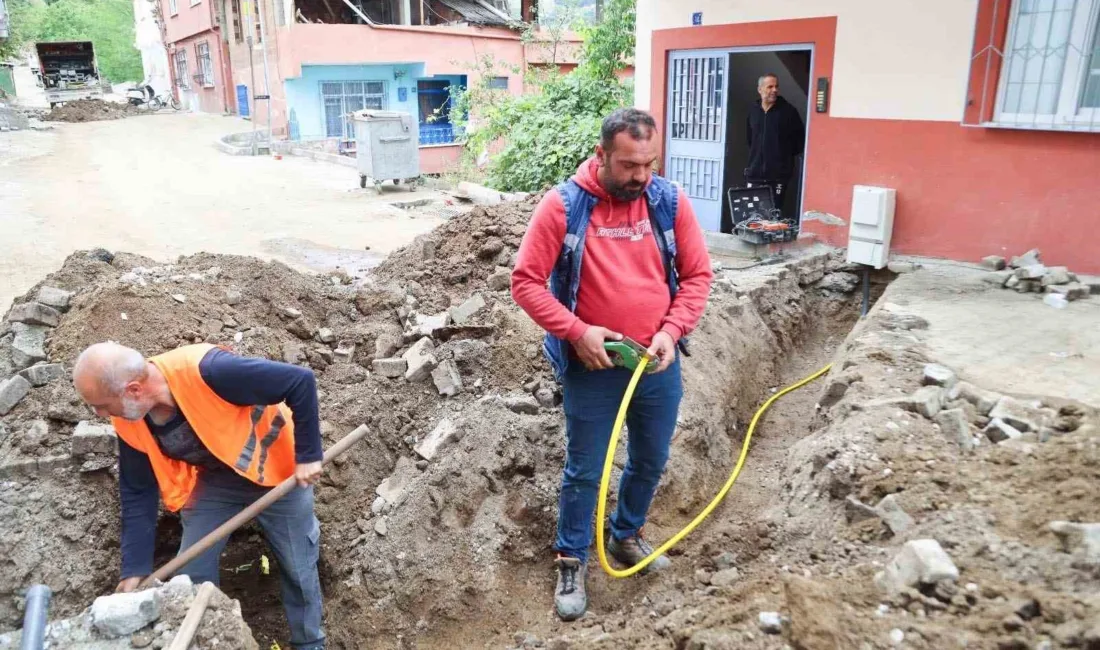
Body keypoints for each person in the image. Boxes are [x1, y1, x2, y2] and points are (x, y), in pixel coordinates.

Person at [511, 108, 714, 621]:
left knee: (650, 459)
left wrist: (671, 332)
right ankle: (572, 557)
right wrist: (577, 332)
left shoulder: (668, 203)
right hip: (593, 368)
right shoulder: (562, 207)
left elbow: (697, 277)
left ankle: (626, 535)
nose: (641, 176)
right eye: (628, 165)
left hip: (655, 365)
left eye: (649, 164)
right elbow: (525, 283)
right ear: (601, 156)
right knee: (586, 470)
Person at [72, 342, 326, 650]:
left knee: (299, 567)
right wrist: (135, 568)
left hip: (276, 469)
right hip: (217, 481)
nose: (99, 414)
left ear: (134, 390)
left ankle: (309, 643)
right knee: (192, 572)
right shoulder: (129, 418)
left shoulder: (210, 371)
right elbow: (138, 489)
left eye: (101, 405)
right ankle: (213, 640)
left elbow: (299, 381)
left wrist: (309, 455)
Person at [745, 73, 805, 212]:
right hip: (755, 173)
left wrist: (782, 157)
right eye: (770, 87)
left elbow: (799, 141)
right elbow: (750, 139)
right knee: (753, 211)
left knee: (773, 211)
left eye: (776, 86)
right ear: (760, 89)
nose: (774, 90)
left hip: (778, 175)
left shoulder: (789, 112)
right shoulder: (753, 111)